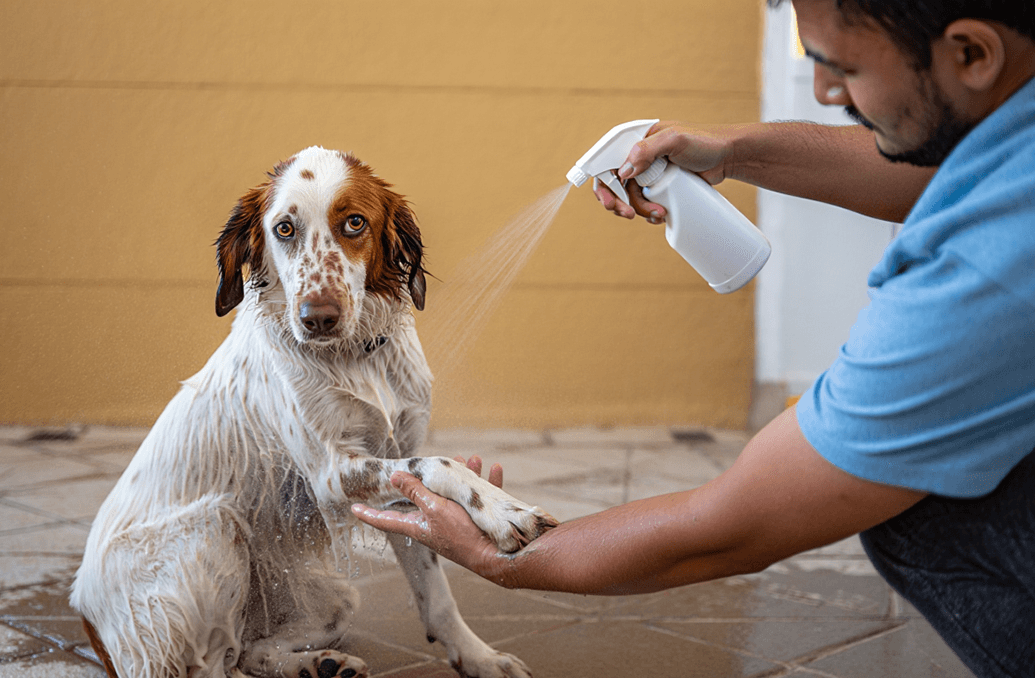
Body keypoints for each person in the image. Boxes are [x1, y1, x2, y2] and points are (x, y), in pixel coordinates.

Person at [351, 0, 1035, 676]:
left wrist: (503, 557)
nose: (824, 89)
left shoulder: (981, 268)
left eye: (841, 66)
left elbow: (734, 525)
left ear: (972, 53)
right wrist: (734, 151)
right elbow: (933, 164)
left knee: (912, 502)